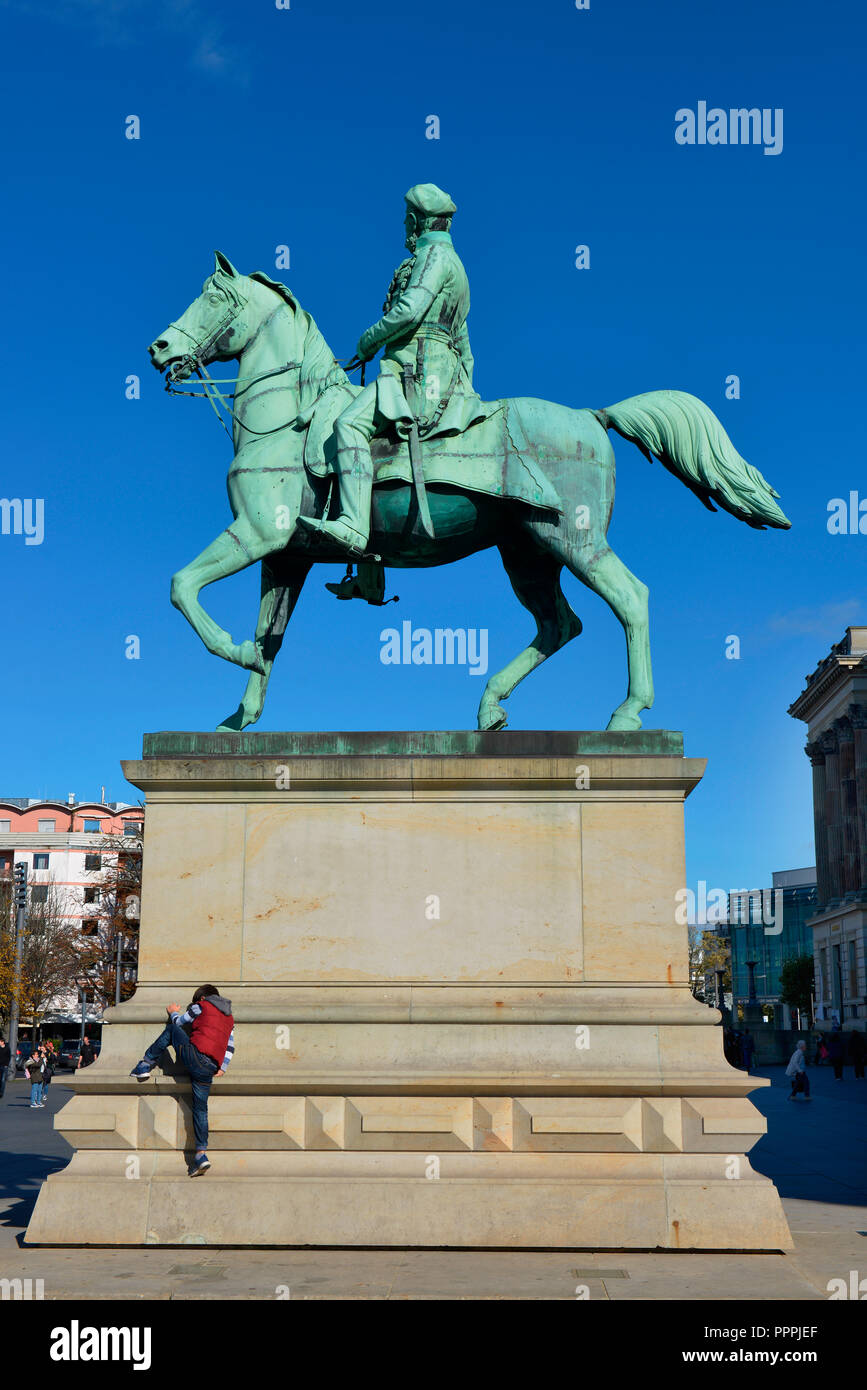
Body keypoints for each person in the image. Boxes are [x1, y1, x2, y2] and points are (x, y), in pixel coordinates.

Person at [297, 183, 495, 556]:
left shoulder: (434, 257)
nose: (405, 227)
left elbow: (409, 310)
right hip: (441, 377)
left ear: (416, 221)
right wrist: (462, 393)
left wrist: (367, 341)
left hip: (413, 375)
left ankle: (354, 526)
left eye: (407, 220)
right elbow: (466, 347)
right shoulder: (458, 267)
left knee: (348, 424)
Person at [129, 984, 234, 1176]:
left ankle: (145, 1064)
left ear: (202, 998)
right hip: (210, 1067)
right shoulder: (229, 1017)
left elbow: (180, 1023)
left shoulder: (202, 1005)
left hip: (195, 1056)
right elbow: (230, 1046)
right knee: (200, 1109)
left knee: (170, 1030)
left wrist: (173, 1013)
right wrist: (223, 1067)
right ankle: (201, 1155)